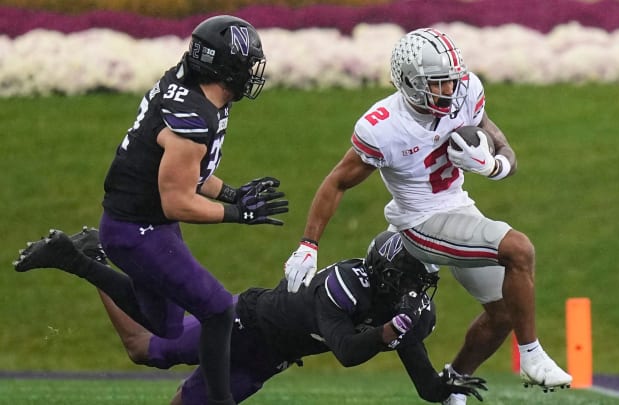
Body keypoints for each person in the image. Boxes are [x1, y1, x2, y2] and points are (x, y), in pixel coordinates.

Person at [282, 28, 572, 404]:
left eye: (451, 82)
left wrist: (494, 166)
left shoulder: (467, 91)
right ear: (408, 83)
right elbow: (337, 182)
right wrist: (308, 243)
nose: (449, 92)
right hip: (418, 222)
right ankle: (531, 356)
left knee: (503, 312)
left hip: (458, 206)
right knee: (519, 249)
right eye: (437, 84)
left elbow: (502, 145)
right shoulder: (384, 126)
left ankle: (454, 384)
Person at [22, 15, 287, 405]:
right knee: (216, 310)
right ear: (224, 67)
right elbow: (177, 200)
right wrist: (239, 214)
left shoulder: (199, 94)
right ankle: (219, 400)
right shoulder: (193, 117)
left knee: (165, 327)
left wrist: (231, 194)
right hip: (137, 229)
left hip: (141, 223)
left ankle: (77, 256)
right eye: (246, 64)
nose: (251, 72)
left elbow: (188, 174)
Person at [14, 227, 487, 404]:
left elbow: (425, 385)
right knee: (146, 348)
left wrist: (448, 382)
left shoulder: (399, 306)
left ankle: (90, 255)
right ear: (385, 276)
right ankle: (83, 258)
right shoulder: (342, 286)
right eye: (411, 281)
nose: (418, 291)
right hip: (245, 327)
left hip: (267, 360)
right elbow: (346, 351)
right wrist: (389, 332)